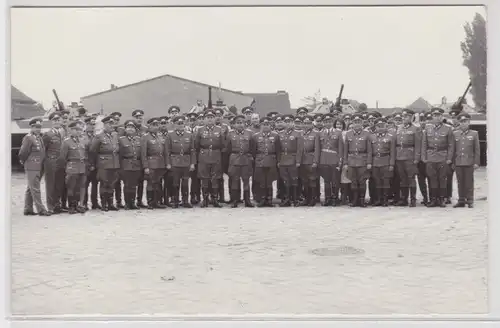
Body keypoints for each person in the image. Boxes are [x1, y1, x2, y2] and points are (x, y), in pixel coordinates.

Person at [421, 107, 454, 207]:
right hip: (430, 157)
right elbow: (424, 143)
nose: (437, 117)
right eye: (435, 115)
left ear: (442, 117)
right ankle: (433, 199)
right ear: (432, 117)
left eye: (439, 115)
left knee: (442, 178)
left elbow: (451, 145)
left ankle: (442, 199)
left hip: (442, 156)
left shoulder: (448, 128)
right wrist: (424, 157)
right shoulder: (427, 128)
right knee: (432, 179)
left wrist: (449, 158)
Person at [18, 118, 51, 216]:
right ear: (31, 127)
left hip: (38, 166)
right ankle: (41, 210)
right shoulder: (28, 138)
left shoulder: (38, 137)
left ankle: (28, 209)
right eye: (36, 127)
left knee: (30, 188)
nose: (38, 129)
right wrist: (24, 162)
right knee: (35, 189)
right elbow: (23, 152)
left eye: (39, 127)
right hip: (32, 166)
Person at [89, 115, 121, 212]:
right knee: (104, 183)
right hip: (103, 164)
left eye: (112, 124)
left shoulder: (115, 136)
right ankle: (104, 204)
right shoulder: (99, 137)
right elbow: (92, 151)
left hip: (114, 163)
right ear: (105, 125)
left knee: (112, 184)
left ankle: (110, 203)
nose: (112, 126)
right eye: (109, 124)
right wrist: (93, 164)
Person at [164, 115, 196, 208]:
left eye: (182, 123)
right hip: (175, 162)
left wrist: (192, 163)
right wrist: (168, 163)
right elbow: (167, 151)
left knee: (185, 182)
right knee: (175, 183)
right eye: (178, 123)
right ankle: (175, 201)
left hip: (186, 161)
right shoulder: (170, 135)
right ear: (174, 125)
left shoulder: (189, 135)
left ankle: (185, 200)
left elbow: (192, 150)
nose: (180, 125)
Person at [194, 109, 224, 208]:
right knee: (204, 178)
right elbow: (196, 145)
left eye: (212, 117)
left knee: (215, 178)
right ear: (204, 119)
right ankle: (205, 199)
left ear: (215, 118)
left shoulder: (220, 130)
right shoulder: (200, 130)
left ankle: (215, 199)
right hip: (204, 155)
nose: (210, 119)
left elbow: (223, 144)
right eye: (208, 118)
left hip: (216, 155)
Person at [224, 115, 255, 208]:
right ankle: (235, 200)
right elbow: (227, 149)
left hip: (246, 159)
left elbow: (253, 147)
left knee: (246, 181)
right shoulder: (230, 134)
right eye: (238, 123)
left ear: (244, 124)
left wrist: (250, 158)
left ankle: (247, 200)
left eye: (241, 123)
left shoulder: (250, 134)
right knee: (234, 180)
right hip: (234, 159)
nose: (240, 125)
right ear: (234, 125)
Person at [343, 113, 372, 207]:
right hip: (351, 161)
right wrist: (345, 162)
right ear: (352, 123)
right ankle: (355, 200)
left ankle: (362, 200)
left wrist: (368, 162)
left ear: (362, 123)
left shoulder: (367, 134)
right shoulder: (348, 134)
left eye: (359, 122)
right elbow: (345, 150)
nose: (357, 124)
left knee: (362, 181)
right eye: (355, 122)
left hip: (362, 160)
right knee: (353, 181)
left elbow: (369, 150)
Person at [452, 112, 480, 208]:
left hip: (469, 162)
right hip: (458, 161)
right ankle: (461, 200)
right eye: (462, 121)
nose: (463, 123)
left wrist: (476, 162)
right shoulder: (455, 133)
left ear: (469, 122)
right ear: (459, 122)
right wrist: (452, 162)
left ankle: (470, 200)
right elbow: (453, 149)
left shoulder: (474, 133)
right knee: (460, 182)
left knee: (469, 181)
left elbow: (477, 149)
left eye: (465, 121)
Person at [251, 116, 280, 207]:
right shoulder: (255, 136)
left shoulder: (275, 135)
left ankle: (269, 199)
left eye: (267, 124)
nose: (265, 126)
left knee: (270, 181)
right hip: (260, 160)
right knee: (261, 180)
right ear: (260, 125)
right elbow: (253, 150)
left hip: (271, 160)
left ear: (270, 125)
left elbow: (278, 150)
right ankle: (262, 199)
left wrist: (278, 161)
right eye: (264, 124)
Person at [395, 109, 422, 207]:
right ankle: (404, 199)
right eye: (403, 116)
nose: (404, 118)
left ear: (411, 118)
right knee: (402, 179)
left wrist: (416, 158)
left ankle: (413, 199)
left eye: (406, 116)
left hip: (410, 157)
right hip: (400, 156)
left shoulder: (416, 129)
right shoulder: (398, 128)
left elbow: (418, 145)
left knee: (411, 178)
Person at [59, 121, 87, 214]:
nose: (78, 131)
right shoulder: (66, 142)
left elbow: (84, 154)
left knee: (81, 187)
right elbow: (62, 157)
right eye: (76, 129)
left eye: (80, 129)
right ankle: (71, 206)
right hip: (72, 167)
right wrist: (67, 168)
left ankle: (79, 205)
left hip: (81, 166)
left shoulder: (82, 140)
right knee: (71, 187)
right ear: (71, 130)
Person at [275, 114, 302, 207]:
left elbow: (299, 149)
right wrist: (278, 160)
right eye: (285, 122)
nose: (287, 124)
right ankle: (286, 199)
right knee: (285, 179)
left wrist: (298, 161)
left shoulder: (297, 134)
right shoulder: (280, 134)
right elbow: (278, 149)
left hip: (293, 159)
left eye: (289, 122)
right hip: (283, 159)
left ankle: (295, 199)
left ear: (292, 123)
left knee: (294, 179)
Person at [140, 117, 167, 209]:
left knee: (158, 183)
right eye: (153, 125)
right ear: (149, 126)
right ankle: (150, 202)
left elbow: (164, 151)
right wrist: (145, 166)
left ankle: (157, 202)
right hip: (151, 163)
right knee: (151, 183)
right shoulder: (145, 137)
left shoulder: (160, 136)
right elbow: (143, 154)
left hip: (160, 163)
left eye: (157, 125)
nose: (156, 127)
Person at [369, 117, 396, 206]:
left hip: (386, 161)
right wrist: (370, 163)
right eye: (378, 126)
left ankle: (385, 199)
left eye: (382, 126)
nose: (380, 128)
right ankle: (378, 199)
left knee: (385, 181)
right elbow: (370, 151)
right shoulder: (371, 137)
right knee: (377, 181)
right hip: (375, 161)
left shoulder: (390, 137)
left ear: (386, 126)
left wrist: (391, 164)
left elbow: (392, 152)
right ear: (375, 127)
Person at [42, 112, 65, 214]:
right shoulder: (48, 134)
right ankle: (50, 206)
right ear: (51, 121)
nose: (57, 122)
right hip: (51, 162)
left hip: (61, 162)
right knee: (50, 184)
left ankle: (57, 205)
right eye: (55, 120)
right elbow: (43, 150)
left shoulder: (62, 133)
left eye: (58, 120)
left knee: (59, 184)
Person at [318, 113, 343, 206]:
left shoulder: (338, 132)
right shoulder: (320, 133)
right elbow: (318, 148)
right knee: (326, 180)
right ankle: (327, 198)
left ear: (332, 122)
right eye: (325, 121)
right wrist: (318, 160)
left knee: (335, 180)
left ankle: (335, 198)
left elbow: (340, 148)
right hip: (324, 159)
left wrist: (340, 160)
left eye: (329, 121)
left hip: (334, 159)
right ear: (323, 123)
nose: (327, 123)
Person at [118, 120, 142, 210]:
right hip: (126, 165)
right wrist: (120, 167)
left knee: (134, 185)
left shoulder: (139, 139)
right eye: (128, 127)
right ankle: (127, 203)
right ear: (125, 129)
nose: (130, 129)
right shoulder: (121, 140)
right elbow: (119, 154)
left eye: (132, 128)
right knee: (127, 185)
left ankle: (133, 202)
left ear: (135, 130)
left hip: (136, 165)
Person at [299, 115, 320, 206]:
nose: (306, 125)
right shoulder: (300, 133)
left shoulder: (316, 133)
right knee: (304, 180)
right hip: (302, 160)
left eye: (308, 123)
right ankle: (306, 198)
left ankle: (313, 198)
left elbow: (317, 149)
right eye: (304, 123)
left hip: (311, 159)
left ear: (312, 124)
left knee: (312, 180)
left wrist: (315, 161)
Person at [82, 116, 100, 210]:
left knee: (95, 185)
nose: (92, 127)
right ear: (86, 125)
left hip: (95, 165)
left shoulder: (96, 137)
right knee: (84, 185)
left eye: (94, 124)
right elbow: (84, 152)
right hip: (86, 165)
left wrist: (94, 164)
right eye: (90, 124)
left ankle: (95, 203)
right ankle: (84, 203)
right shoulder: (82, 137)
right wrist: (90, 164)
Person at [445, 109, 461, 204]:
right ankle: (448, 196)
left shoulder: (462, 128)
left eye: (455, 117)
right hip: (450, 157)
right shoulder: (448, 128)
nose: (454, 119)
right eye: (452, 117)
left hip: (459, 157)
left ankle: (463, 197)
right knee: (448, 178)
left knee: (461, 178)